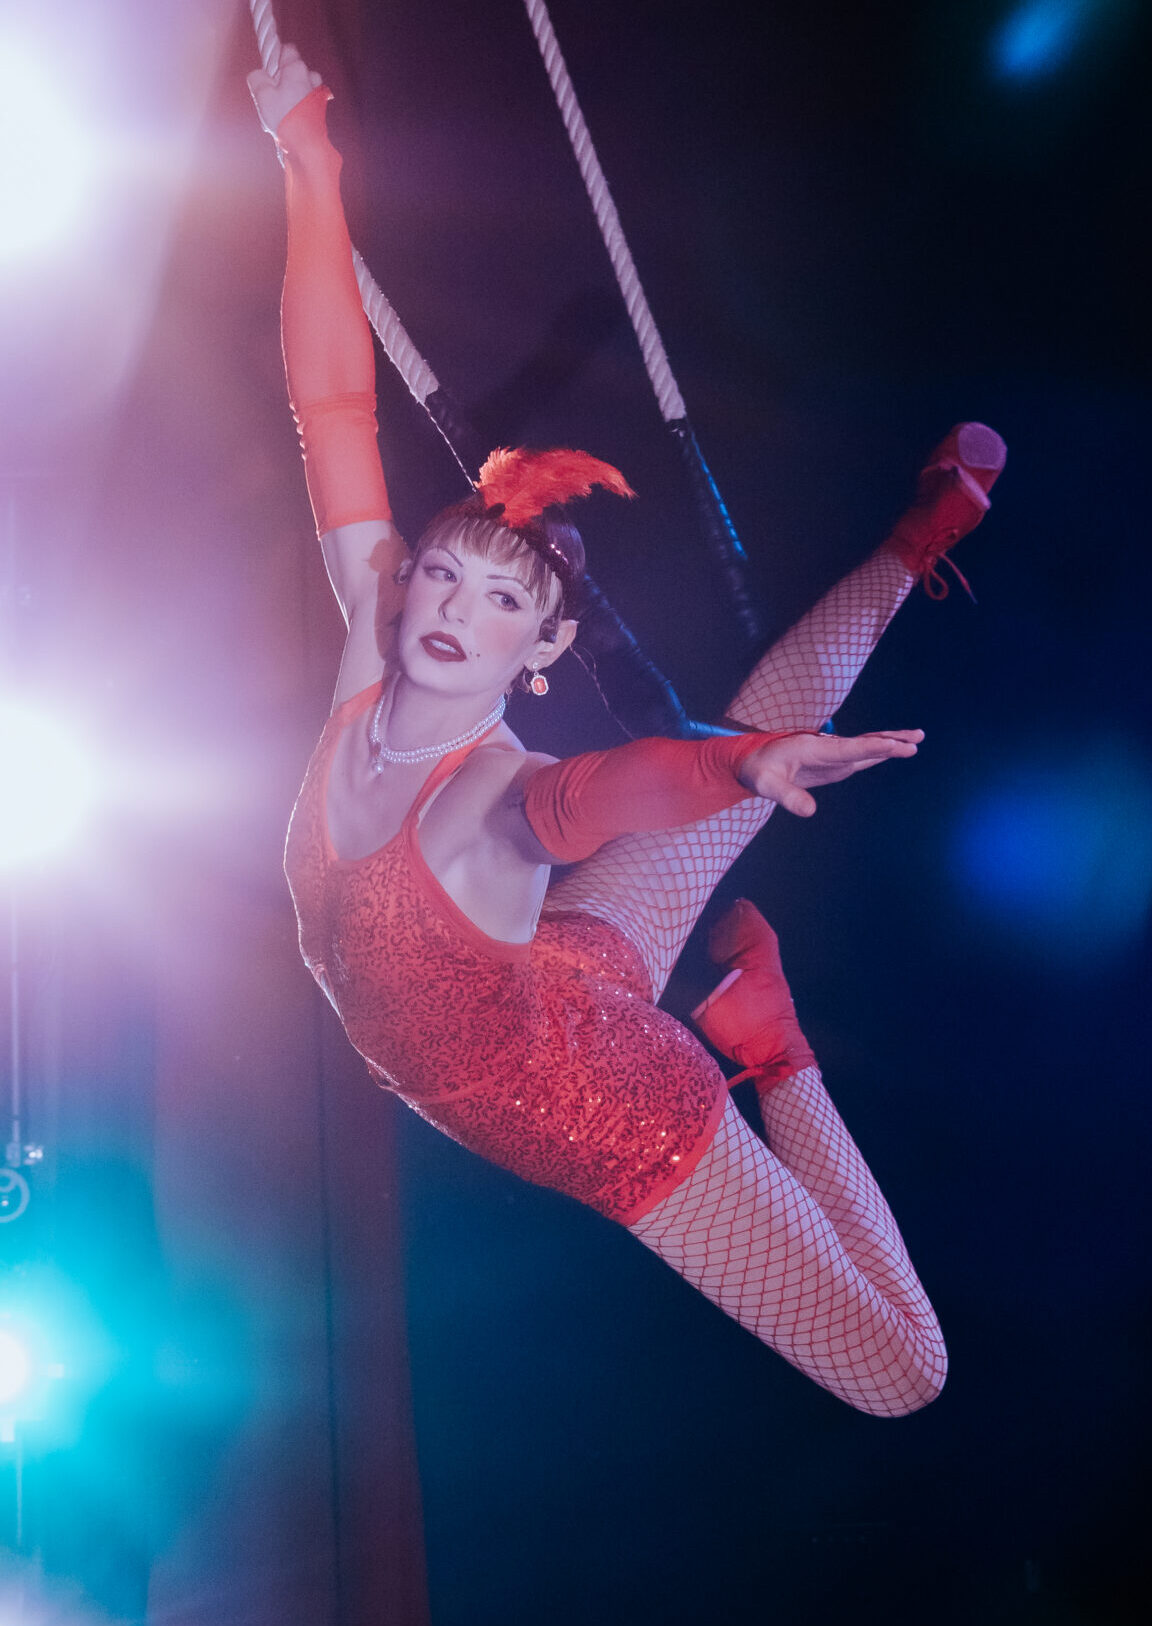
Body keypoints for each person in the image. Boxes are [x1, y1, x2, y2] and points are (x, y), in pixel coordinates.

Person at [253, 46, 1002, 1417]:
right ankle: (917, 541)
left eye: (504, 604)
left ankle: (778, 1060)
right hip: (562, 978)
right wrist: (311, 167)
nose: (455, 609)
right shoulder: (373, 632)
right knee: (757, 736)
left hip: (610, 1101)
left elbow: (603, 796)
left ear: (541, 653)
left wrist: (740, 768)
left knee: (908, 1375)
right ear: (410, 582)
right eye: (447, 576)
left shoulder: (488, 796)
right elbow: (331, 406)